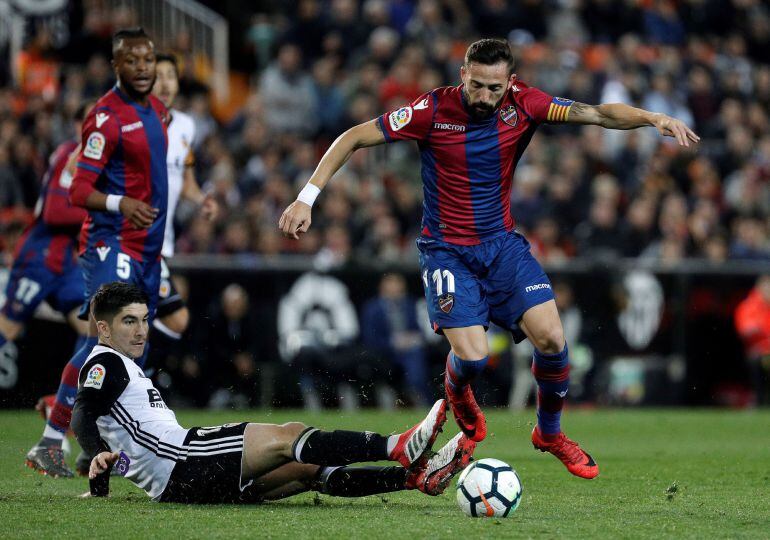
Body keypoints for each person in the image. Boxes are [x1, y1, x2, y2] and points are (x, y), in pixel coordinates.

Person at [280, 38, 700, 480]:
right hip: (445, 252)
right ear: (463, 74)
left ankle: (550, 433)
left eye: (494, 88)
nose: (484, 96)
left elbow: (595, 113)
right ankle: (457, 390)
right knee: (475, 357)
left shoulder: (527, 103)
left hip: (501, 247)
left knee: (553, 339)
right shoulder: (431, 111)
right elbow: (353, 137)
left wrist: (655, 117)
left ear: (510, 82)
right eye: (476, 85)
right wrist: (307, 198)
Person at [72, 282, 475, 502]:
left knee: (305, 472)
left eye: (143, 320)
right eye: (129, 322)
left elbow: (107, 436)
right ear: (104, 329)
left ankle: (411, 479)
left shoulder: (121, 367)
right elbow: (83, 412)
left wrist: (99, 476)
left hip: (176, 479)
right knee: (289, 434)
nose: (141, 330)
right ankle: (397, 446)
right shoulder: (105, 363)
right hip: (183, 459)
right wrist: (93, 453)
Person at [26, 27, 169, 477]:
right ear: (116, 66)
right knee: (101, 340)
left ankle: (96, 446)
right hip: (110, 241)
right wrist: (121, 203)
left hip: (147, 247)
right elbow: (78, 191)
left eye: (149, 60)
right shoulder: (105, 118)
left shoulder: (159, 111)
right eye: (133, 61)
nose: (143, 69)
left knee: (136, 350)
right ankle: (50, 442)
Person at [150, 52, 217, 343]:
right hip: (133, 240)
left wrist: (202, 198)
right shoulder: (132, 123)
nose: (165, 84)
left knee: (151, 321)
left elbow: (184, 178)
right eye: (157, 76)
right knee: (172, 319)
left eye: (170, 76)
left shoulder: (186, 126)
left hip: (161, 242)